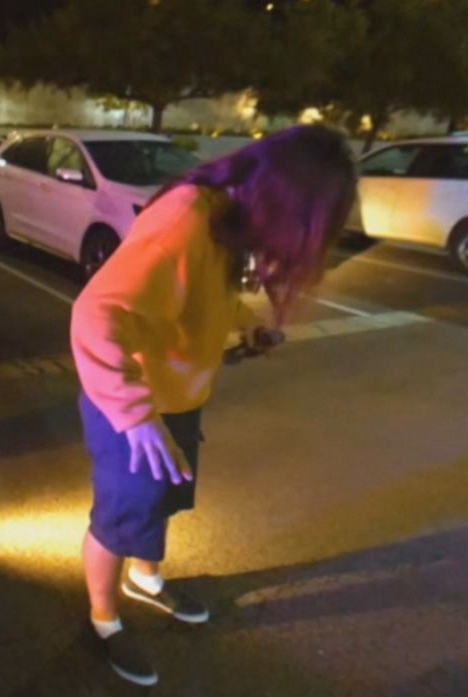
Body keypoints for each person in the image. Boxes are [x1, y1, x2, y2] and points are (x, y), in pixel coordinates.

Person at [69, 125, 357, 686]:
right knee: (118, 519)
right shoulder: (185, 219)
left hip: (175, 401)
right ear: (283, 199)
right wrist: (134, 415)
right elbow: (95, 314)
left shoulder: (227, 218)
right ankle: (103, 619)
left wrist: (247, 330)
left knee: (162, 501)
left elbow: (207, 299)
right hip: (132, 408)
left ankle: (145, 579)